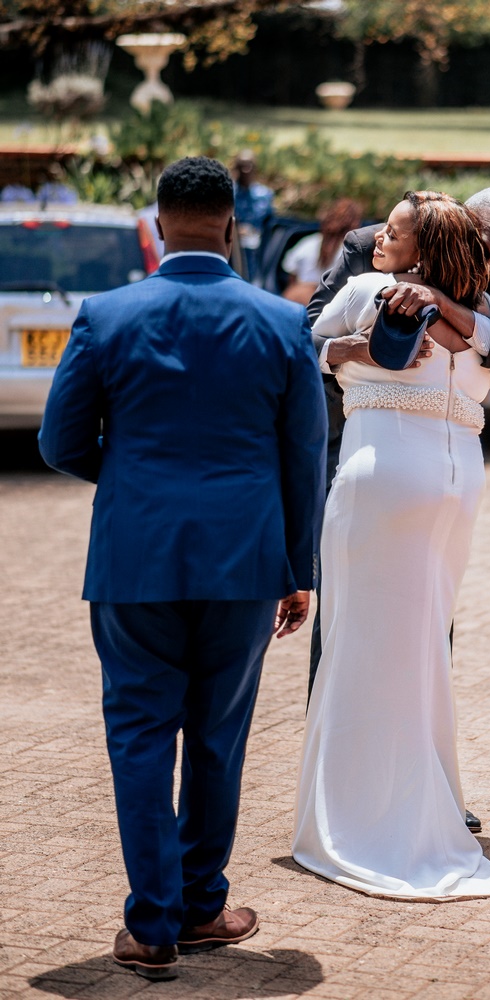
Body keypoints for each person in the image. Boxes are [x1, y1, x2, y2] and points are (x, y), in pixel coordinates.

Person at [38, 156, 327, 981]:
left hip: (135, 557)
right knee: (216, 739)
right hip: (245, 562)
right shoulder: (282, 322)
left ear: (159, 223)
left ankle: (154, 924)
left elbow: (59, 441)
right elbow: (304, 457)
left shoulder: (106, 314)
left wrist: (132, 483)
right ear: (232, 225)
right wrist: (298, 567)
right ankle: (201, 906)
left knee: (139, 736)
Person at [292, 190, 490, 900]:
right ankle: (428, 800)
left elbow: (289, 349)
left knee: (357, 643)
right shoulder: (482, 315)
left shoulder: (370, 291)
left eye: (392, 231)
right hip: (457, 486)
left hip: (383, 477)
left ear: (423, 248)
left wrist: (340, 350)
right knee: (422, 646)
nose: (377, 241)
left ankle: (355, 818)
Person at [282, 198, 362, 305]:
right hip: (323, 306)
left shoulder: (306, 243)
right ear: (354, 224)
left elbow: (291, 278)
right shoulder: (351, 253)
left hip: (294, 301)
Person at [230, 149, 274, 281]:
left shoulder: (265, 194)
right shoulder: (229, 193)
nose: (246, 170)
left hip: (257, 251)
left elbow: (270, 223)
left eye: (249, 165)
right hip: (233, 250)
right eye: (242, 165)